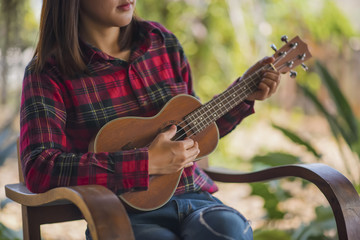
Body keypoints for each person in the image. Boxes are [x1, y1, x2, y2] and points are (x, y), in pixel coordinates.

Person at [20, 0, 280, 239]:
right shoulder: (48, 72)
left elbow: (194, 131)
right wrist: (145, 162)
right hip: (120, 213)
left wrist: (244, 93)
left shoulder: (162, 41)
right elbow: (40, 167)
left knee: (228, 231)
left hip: (197, 200)